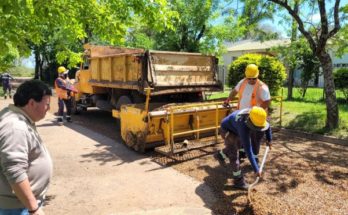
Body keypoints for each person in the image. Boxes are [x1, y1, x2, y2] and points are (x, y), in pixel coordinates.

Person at [0, 79, 53, 215]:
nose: (49, 108)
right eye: (47, 104)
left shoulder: (17, 118)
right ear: (32, 103)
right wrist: (33, 208)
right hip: (17, 208)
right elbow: (14, 170)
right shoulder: (15, 127)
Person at [219, 64, 271, 162]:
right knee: (242, 136)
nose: (251, 80)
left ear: (257, 76)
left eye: (254, 78)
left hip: (255, 117)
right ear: (246, 76)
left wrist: (258, 112)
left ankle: (255, 159)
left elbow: (267, 101)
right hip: (243, 116)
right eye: (249, 78)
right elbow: (234, 91)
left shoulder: (262, 87)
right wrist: (228, 100)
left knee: (255, 139)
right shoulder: (242, 82)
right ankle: (243, 152)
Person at [216, 106, 272, 189]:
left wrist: (269, 139)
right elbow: (248, 149)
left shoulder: (258, 115)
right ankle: (238, 181)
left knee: (237, 144)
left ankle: (221, 155)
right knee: (234, 154)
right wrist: (256, 169)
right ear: (250, 121)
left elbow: (267, 126)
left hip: (235, 128)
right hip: (227, 130)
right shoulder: (242, 125)